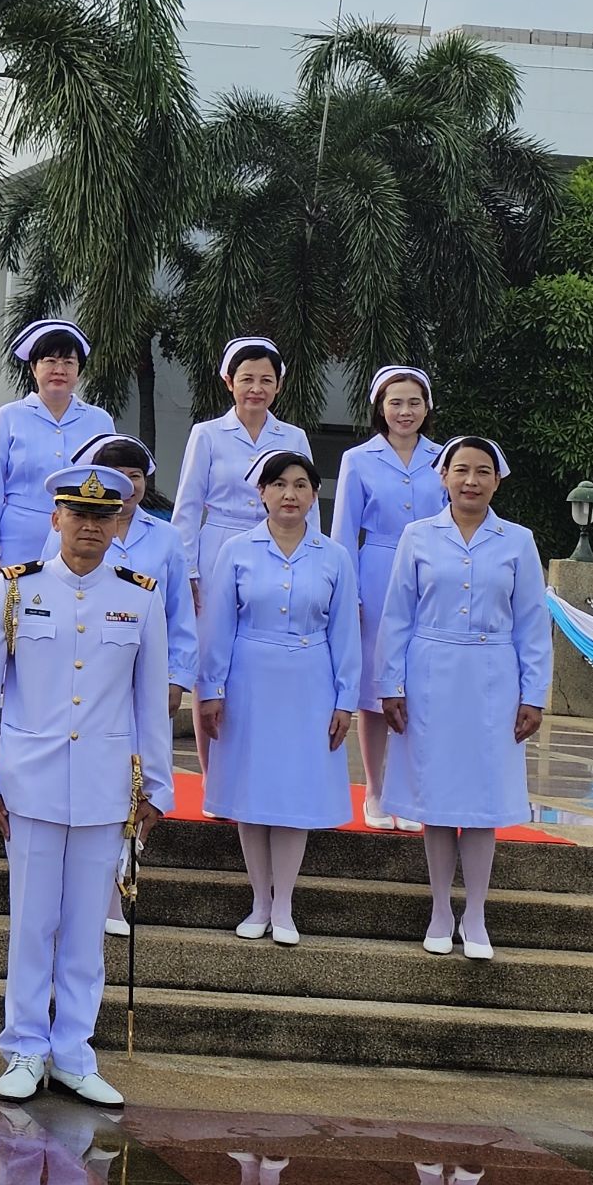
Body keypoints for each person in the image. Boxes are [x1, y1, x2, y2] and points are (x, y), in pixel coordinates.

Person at [0, 466, 172, 1108]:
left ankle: (75, 1050)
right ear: (55, 519)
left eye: (101, 516)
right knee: (32, 922)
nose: (88, 527)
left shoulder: (139, 595)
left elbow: (150, 701)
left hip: (106, 783)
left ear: (116, 525)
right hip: (30, 779)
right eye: (76, 515)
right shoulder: (17, 589)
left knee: (85, 927)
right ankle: (25, 1046)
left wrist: (155, 787)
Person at [377, 437, 550, 960]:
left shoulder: (517, 541)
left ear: (497, 480)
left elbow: (532, 624)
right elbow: (396, 615)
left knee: (480, 802)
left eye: (482, 471)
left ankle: (475, 912)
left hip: (493, 676)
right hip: (430, 674)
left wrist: (533, 694)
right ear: (444, 477)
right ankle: (438, 908)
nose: (471, 480)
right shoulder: (417, 536)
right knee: (436, 799)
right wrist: (390, 684)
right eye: (461, 470)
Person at [195, 450, 361, 946]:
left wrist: (345, 700)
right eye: (279, 485)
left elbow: (345, 632)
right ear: (261, 492)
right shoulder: (238, 551)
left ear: (314, 495)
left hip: (310, 680)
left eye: (301, 485)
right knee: (252, 792)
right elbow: (218, 625)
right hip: (249, 679)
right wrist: (211, 690)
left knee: (293, 793)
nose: (290, 494)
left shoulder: (333, 556)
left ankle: (284, 903)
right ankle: (258, 901)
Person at [53, 433, 197, 937]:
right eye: (121, 476)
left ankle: (118, 892)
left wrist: (178, 674)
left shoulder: (166, 538)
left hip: (146, 675)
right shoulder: (76, 524)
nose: (130, 486)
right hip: (90, 676)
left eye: (136, 476)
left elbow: (180, 612)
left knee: (134, 780)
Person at [331, 366, 446, 830]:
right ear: (380, 407)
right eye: (395, 402)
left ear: (427, 408)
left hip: (430, 573)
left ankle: (410, 791)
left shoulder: (444, 458)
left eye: (414, 403)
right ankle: (376, 792)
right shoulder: (358, 459)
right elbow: (343, 530)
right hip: (376, 571)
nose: (404, 411)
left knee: (418, 682)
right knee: (377, 687)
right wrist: (347, 593)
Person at [0, 320, 116, 597]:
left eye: (69, 362)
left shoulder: (100, 421)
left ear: (79, 370)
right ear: (33, 367)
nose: (59, 370)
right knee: (10, 615)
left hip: (79, 535)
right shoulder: (9, 417)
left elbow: (109, 486)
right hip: (16, 537)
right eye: (50, 361)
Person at [170, 337, 312, 595]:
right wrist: (186, 569)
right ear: (229, 381)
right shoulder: (207, 434)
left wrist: (310, 557)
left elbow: (308, 505)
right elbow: (188, 505)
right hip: (218, 546)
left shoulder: (294, 437)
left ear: (278, 386)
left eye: (266, 380)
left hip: (278, 545)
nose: (256, 388)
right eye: (247, 379)